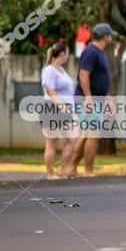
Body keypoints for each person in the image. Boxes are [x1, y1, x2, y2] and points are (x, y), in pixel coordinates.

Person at [71, 23, 116, 176]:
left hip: (95, 99)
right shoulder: (91, 52)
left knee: (85, 134)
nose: (112, 39)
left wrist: (108, 99)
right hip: (88, 100)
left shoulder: (99, 53)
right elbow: (83, 75)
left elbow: (99, 80)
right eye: (111, 36)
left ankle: (72, 168)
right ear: (106, 37)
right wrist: (89, 99)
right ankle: (88, 171)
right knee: (93, 133)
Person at [40, 42, 79, 179]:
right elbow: (50, 90)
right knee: (52, 143)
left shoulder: (61, 69)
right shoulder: (50, 69)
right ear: (63, 54)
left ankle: (63, 171)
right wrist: (61, 106)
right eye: (68, 52)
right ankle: (50, 174)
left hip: (66, 111)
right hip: (53, 108)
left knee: (73, 140)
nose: (68, 55)